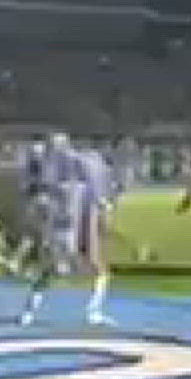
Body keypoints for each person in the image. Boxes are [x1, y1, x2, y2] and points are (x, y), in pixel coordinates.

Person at [17, 133, 114, 327]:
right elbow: (92, 212)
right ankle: (93, 312)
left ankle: (28, 313)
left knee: (49, 272)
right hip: (69, 233)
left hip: (58, 234)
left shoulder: (48, 188)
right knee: (99, 271)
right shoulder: (79, 189)